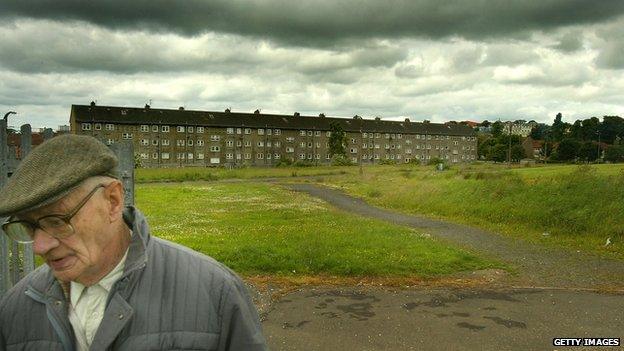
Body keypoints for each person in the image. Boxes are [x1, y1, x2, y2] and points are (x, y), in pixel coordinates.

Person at [0, 134, 268, 350]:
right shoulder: (14, 309)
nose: (40, 247)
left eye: (57, 220)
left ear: (113, 201)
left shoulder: (216, 293)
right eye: (29, 226)